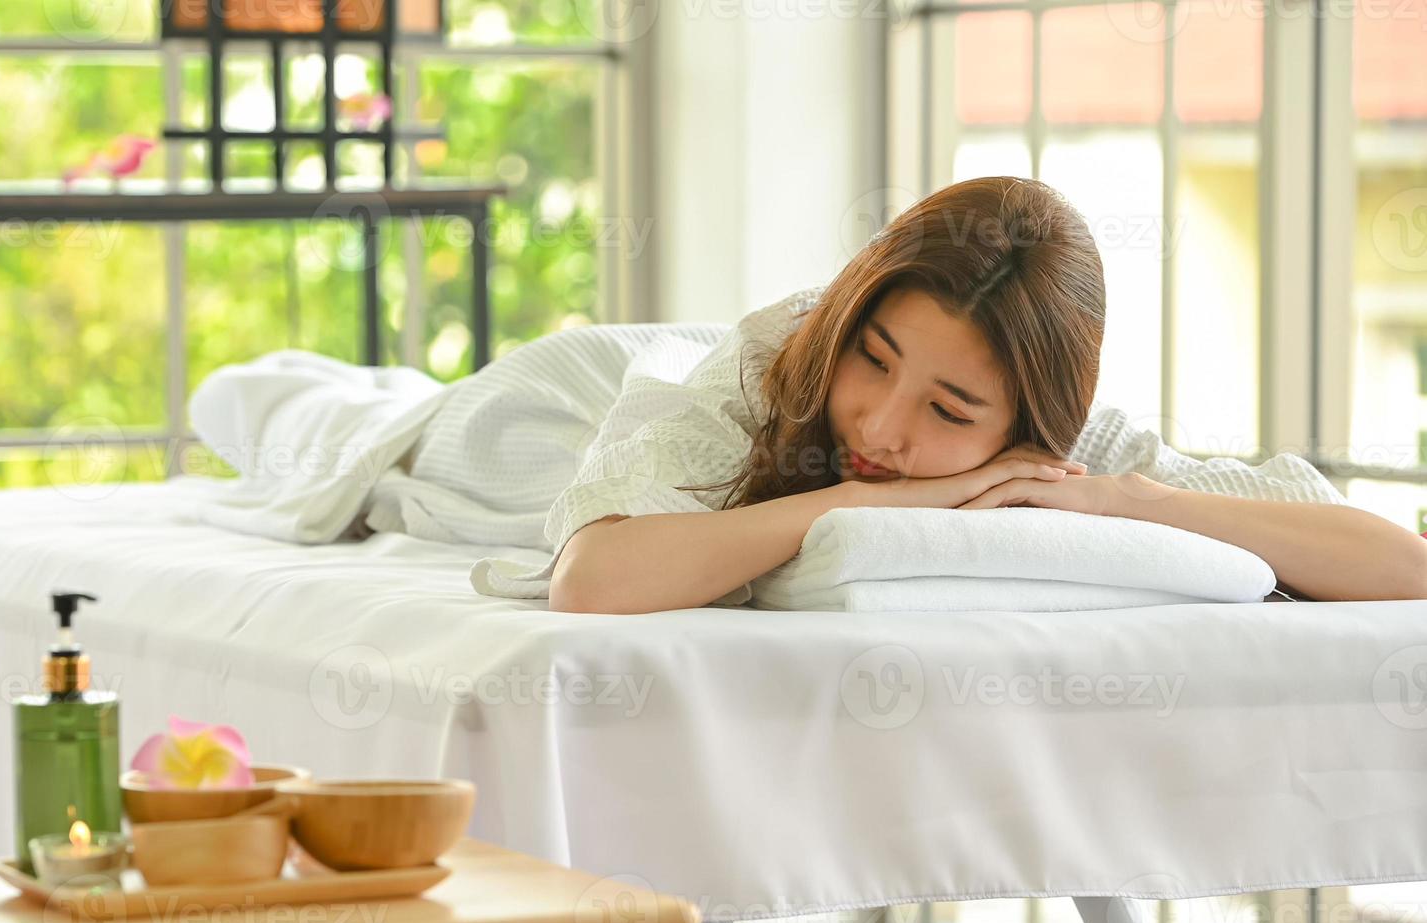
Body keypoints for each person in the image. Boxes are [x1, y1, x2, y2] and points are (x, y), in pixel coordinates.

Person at [486, 176, 1427, 613]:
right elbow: (592, 579)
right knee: (357, 422)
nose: (883, 426)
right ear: (852, 318)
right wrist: (856, 498)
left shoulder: (1065, 448)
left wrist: (1123, 497)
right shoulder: (774, 358)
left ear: (1027, 420)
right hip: (562, 394)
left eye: (948, 412)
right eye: (876, 357)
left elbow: (1405, 568)